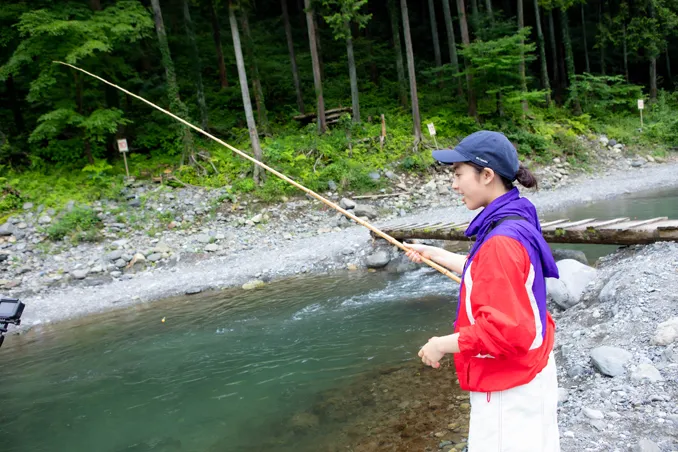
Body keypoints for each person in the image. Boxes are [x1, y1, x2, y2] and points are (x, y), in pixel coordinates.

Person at [404, 130, 561, 452]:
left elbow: (505, 332)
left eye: (458, 174)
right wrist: (436, 254)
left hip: (508, 386)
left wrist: (441, 345)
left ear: (487, 175)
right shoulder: (517, 215)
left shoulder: (500, 241)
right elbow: (495, 274)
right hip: (532, 371)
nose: (454, 184)